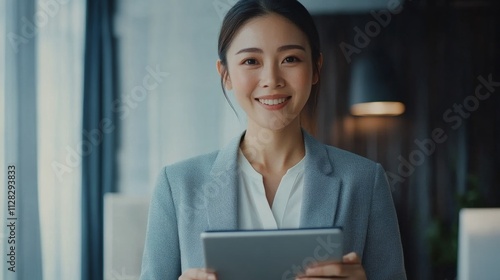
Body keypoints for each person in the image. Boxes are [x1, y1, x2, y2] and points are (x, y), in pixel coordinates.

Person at [140, 0, 407, 279]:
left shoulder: (365, 181)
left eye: (290, 59)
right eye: (251, 61)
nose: (271, 79)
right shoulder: (178, 186)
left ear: (316, 68)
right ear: (226, 74)